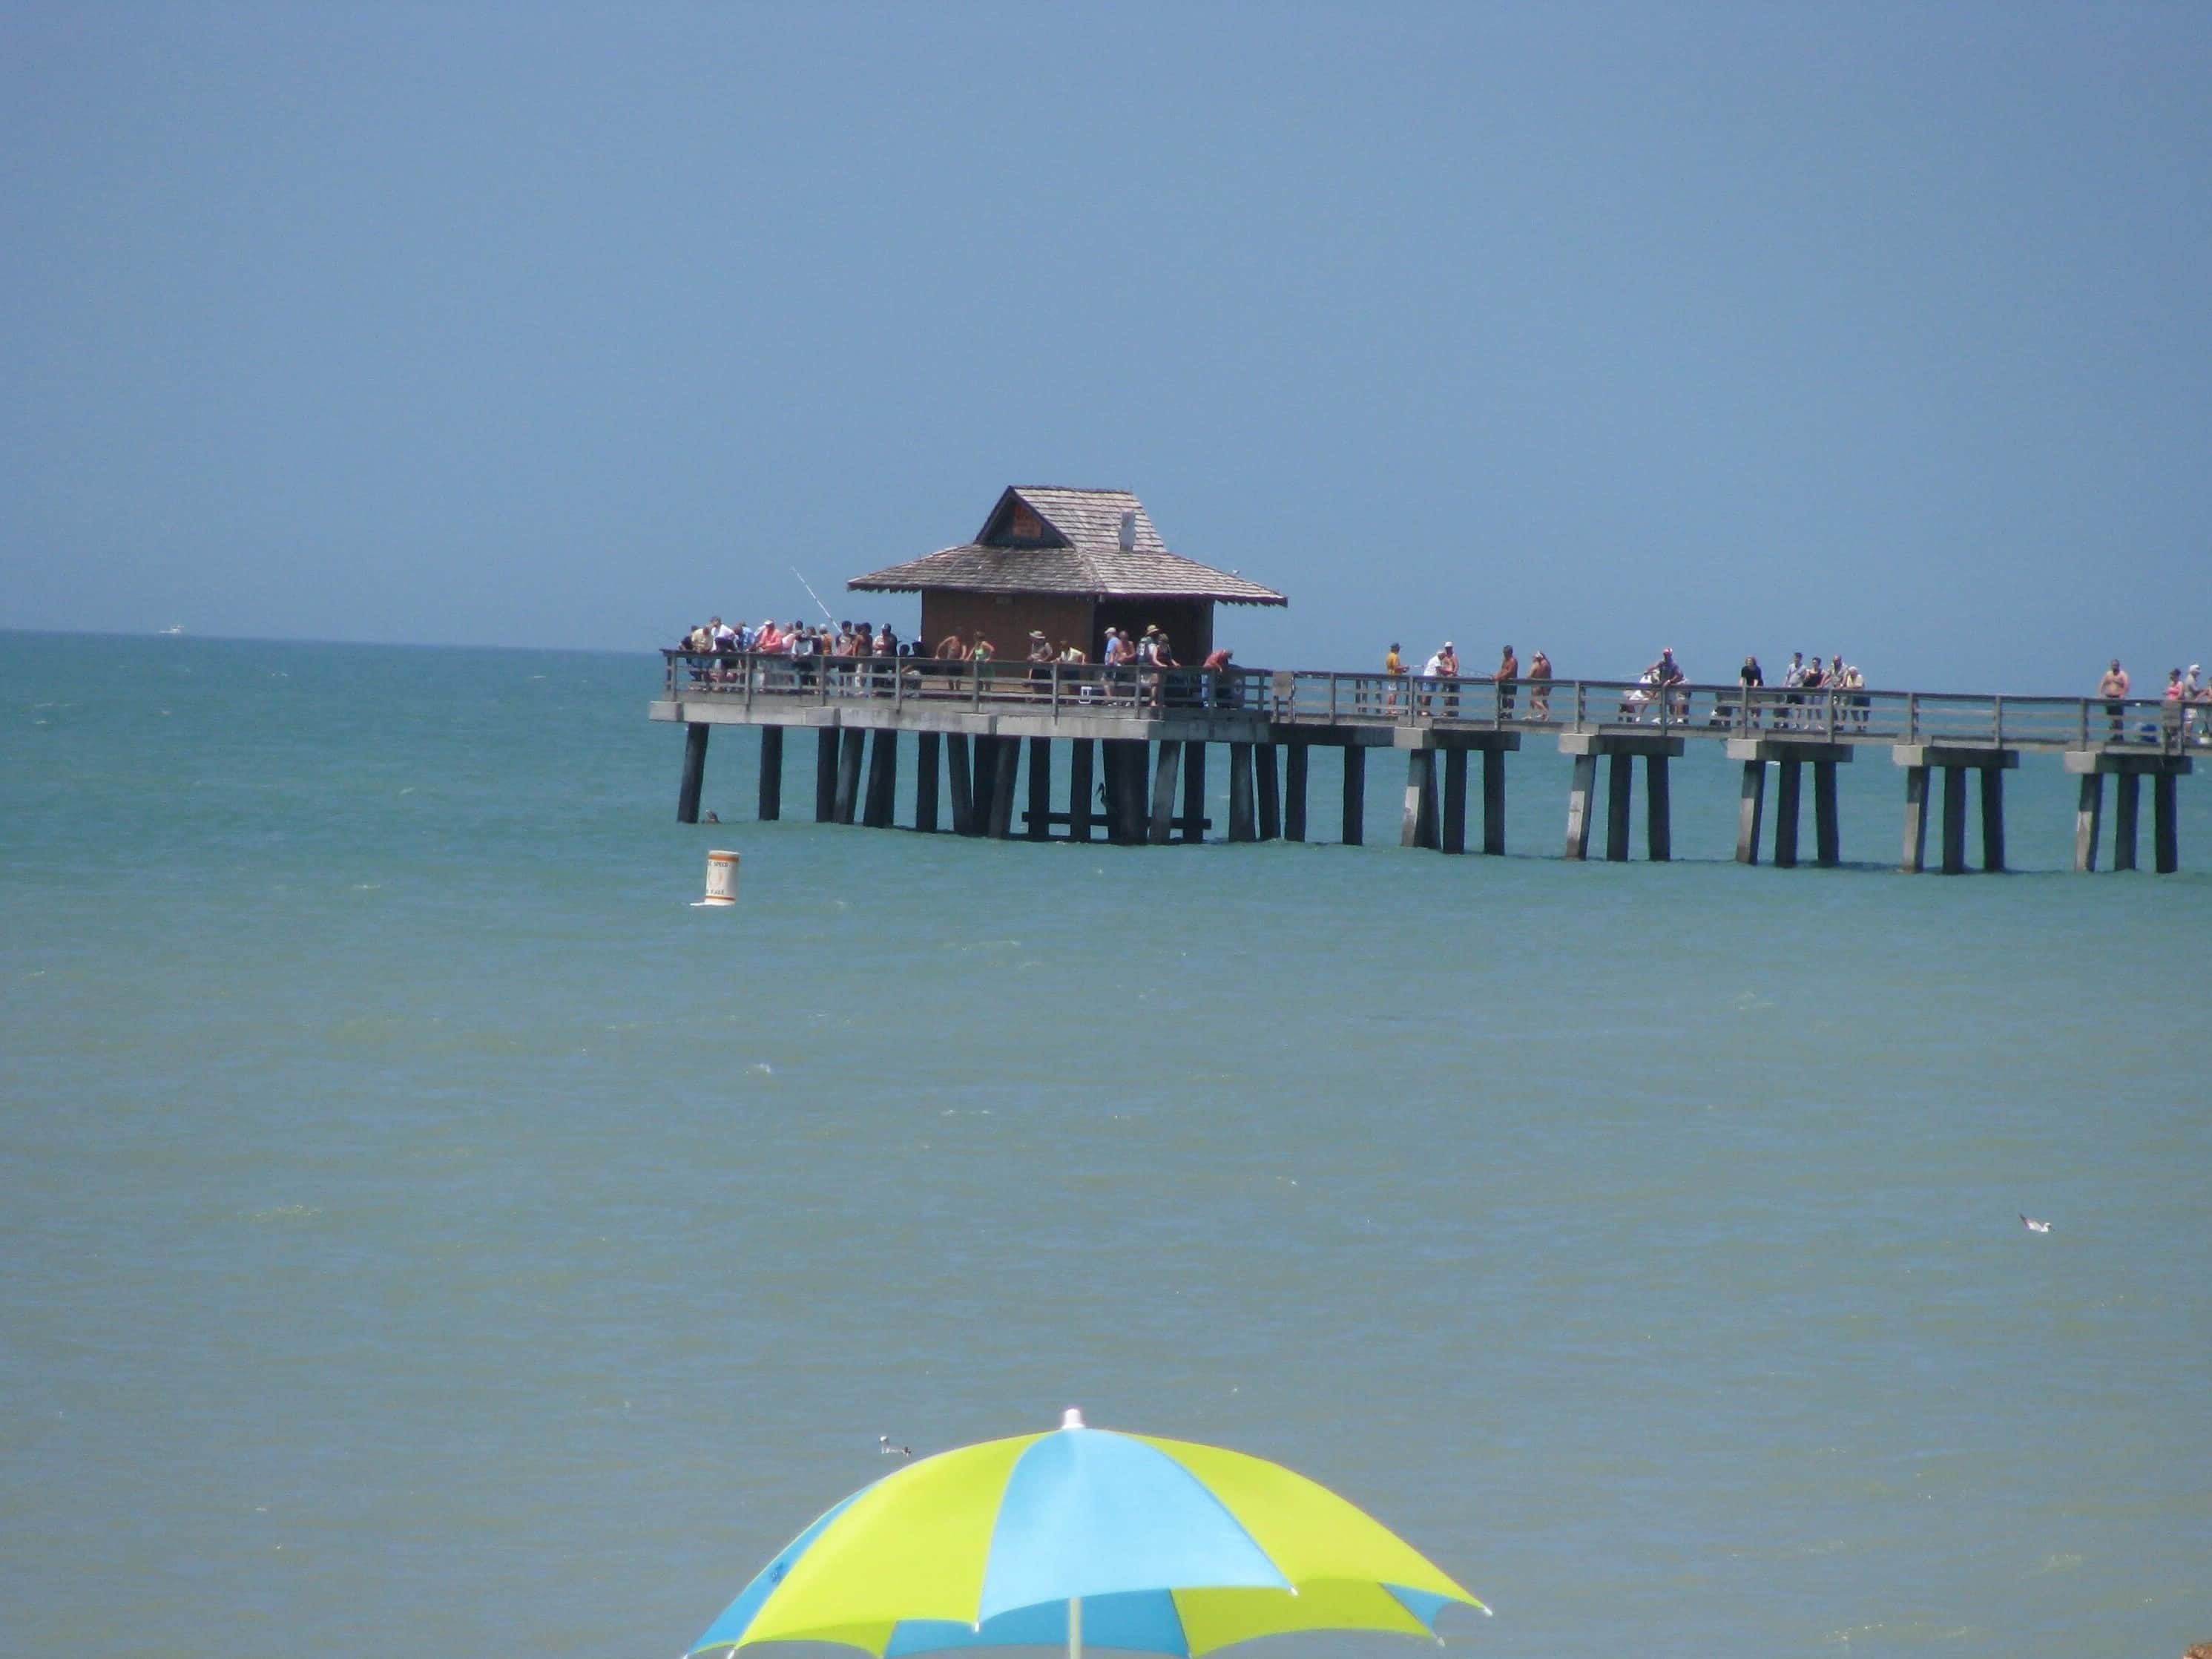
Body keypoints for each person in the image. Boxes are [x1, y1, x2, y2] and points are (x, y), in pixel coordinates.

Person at [2098, 658, 2130, 742]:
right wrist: (2100, 693)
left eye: (2116, 665)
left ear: (2118, 666)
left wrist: (2123, 694)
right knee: (2111, 716)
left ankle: (2119, 736)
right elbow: (2103, 683)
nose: (2114, 667)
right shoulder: (2108, 674)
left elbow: (2127, 684)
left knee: (2118, 717)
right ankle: (2115, 734)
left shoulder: (2122, 675)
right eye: (2113, 665)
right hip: (2109, 697)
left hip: (2118, 697)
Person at [1492, 644, 1516, 717]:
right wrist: (1496, 676)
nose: (1504, 654)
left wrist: (1499, 678)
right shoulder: (1505, 660)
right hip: (1504, 683)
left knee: (1510, 699)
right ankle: (1503, 712)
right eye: (1504, 653)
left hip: (1511, 683)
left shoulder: (1513, 661)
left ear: (1510, 652)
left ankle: (1509, 713)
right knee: (1504, 698)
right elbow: (1503, 670)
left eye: (1506, 653)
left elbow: (1510, 672)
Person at [1527, 649, 1552, 720]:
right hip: (1547, 684)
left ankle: (1545, 712)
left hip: (1538, 684)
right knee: (1544, 700)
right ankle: (1533, 715)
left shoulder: (1537, 664)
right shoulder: (1547, 663)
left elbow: (1530, 676)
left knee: (1534, 700)